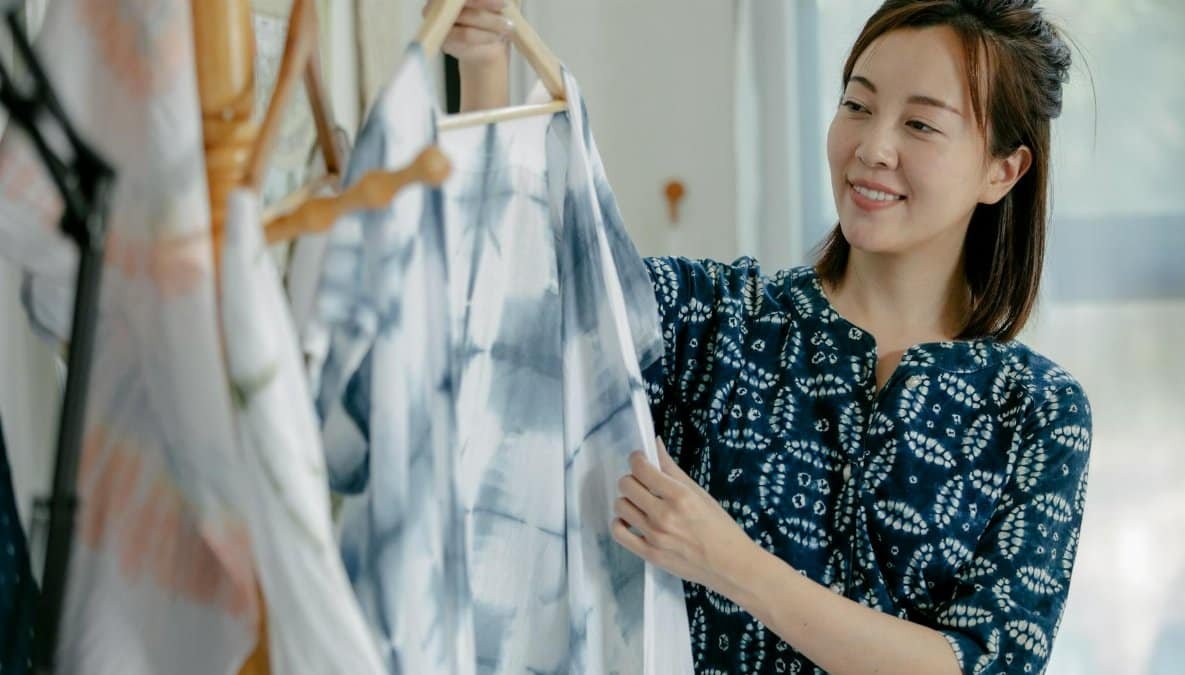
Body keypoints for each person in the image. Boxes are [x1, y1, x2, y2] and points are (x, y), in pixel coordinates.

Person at [440, 0, 1091, 672]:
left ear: (1002, 170)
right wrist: (486, 70)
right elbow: (510, 318)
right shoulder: (709, 318)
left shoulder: (1039, 410)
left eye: (920, 124)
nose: (871, 148)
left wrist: (730, 563)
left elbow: (985, 663)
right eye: (857, 105)